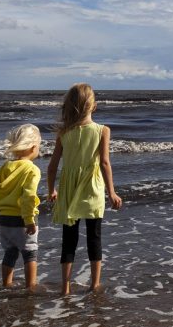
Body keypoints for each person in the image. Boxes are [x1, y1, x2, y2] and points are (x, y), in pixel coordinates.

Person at [47, 83, 122, 295]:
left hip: (69, 189)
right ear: (93, 105)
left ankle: (65, 287)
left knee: (68, 239)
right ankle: (95, 283)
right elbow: (105, 163)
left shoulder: (63, 133)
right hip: (92, 188)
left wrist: (51, 189)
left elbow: (52, 166)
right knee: (94, 237)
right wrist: (112, 192)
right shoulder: (102, 130)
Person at [0, 123, 42, 290]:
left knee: (10, 252)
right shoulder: (32, 169)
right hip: (22, 218)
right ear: (33, 147)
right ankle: (30, 287)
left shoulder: (5, 167)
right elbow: (29, 196)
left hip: (4, 219)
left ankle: (6, 285)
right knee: (30, 253)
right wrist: (29, 220)